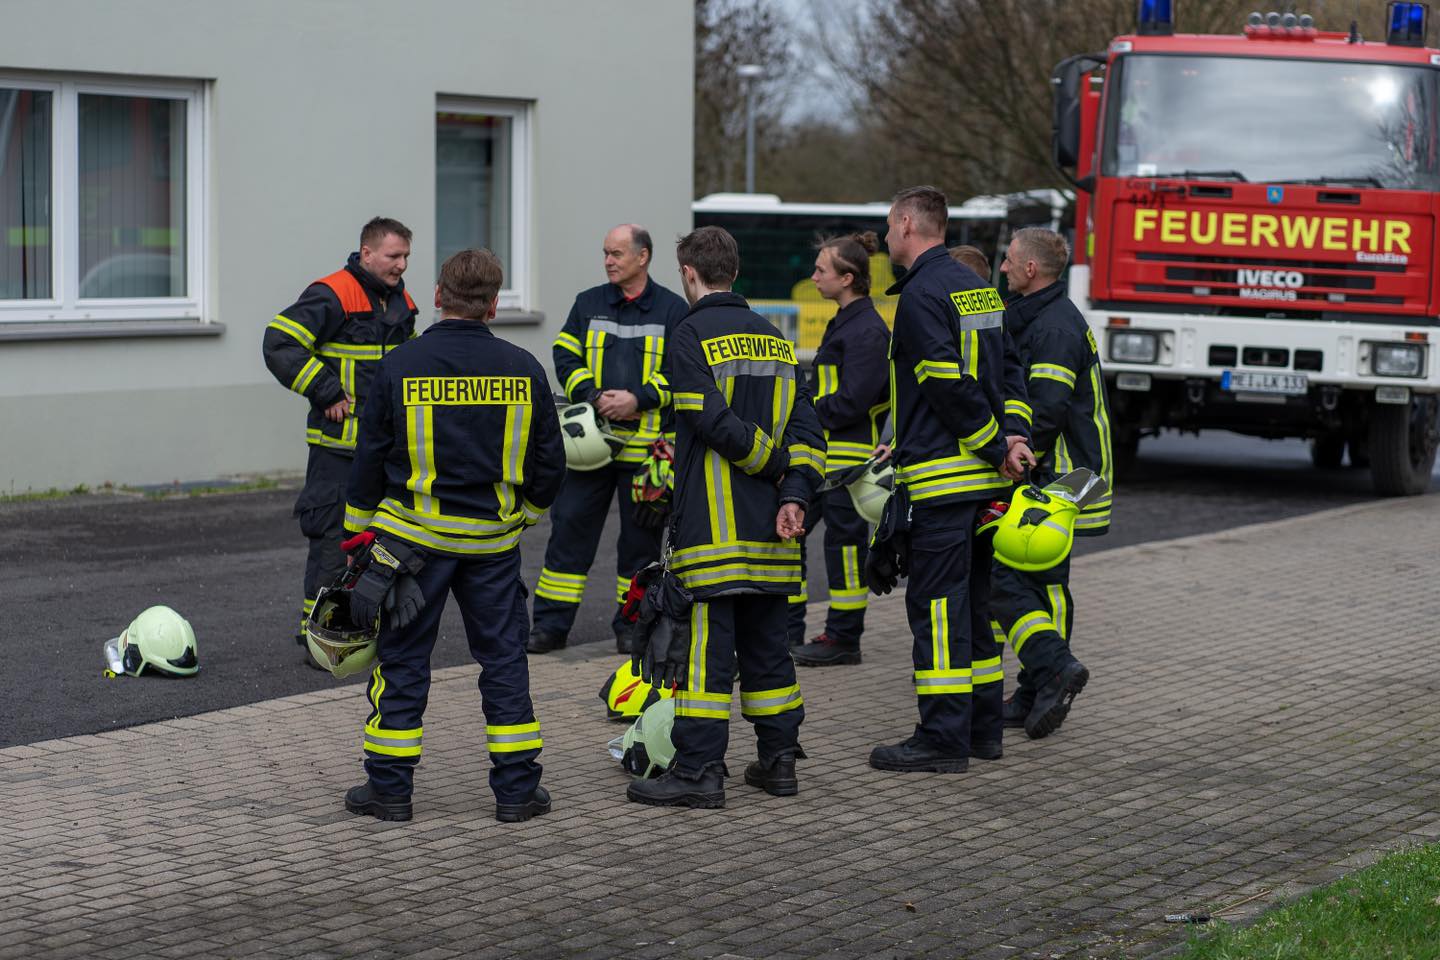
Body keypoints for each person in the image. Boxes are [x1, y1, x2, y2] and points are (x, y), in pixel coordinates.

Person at [340, 248, 564, 823]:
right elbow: (550, 463)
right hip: (492, 547)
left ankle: (389, 791)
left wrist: (355, 528)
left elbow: (370, 455)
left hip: (411, 545)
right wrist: (526, 515)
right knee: (505, 662)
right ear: (494, 304)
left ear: (438, 296)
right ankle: (517, 793)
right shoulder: (524, 368)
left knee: (404, 661)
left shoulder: (398, 363)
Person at [627, 226, 825, 808]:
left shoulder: (688, 335)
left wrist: (769, 464)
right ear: (732, 271)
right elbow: (807, 430)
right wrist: (794, 493)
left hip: (714, 534)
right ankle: (779, 763)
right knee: (769, 650)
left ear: (689, 274)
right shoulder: (774, 337)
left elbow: (710, 420)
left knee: (707, 658)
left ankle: (699, 772)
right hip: (776, 528)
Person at [868, 187, 1032, 774]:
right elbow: (1011, 372)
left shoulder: (920, 295)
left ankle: (941, 739)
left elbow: (945, 385)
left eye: (889, 226)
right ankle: (984, 731)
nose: (887, 237)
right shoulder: (978, 290)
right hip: (989, 487)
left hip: (942, 482)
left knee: (936, 609)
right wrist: (1015, 440)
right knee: (974, 605)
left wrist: (993, 443)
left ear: (908, 223)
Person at [263, 217, 419, 667]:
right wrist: (326, 389)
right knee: (333, 537)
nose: (401, 265)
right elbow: (279, 343)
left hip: (384, 449)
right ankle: (319, 638)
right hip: (337, 449)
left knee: (381, 537)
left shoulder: (399, 299)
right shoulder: (332, 293)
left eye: (406, 256)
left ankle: (359, 626)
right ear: (367, 253)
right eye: (394, 256)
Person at [529, 225, 689, 655]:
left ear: (643, 257)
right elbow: (565, 355)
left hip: (644, 455)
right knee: (568, 535)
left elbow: (680, 369)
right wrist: (594, 397)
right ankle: (549, 627)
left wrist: (640, 397)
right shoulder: (589, 303)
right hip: (590, 448)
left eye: (617, 253)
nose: (608, 261)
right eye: (605, 253)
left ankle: (630, 626)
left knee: (638, 547)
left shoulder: (673, 310)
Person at [993, 227, 1111, 738]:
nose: (1002, 268)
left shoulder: (1055, 328)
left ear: (1030, 270)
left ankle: (1051, 674)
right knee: (1034, 580)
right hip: (1058, 469)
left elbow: (1046, 409)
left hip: (1064, 472)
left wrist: (1011, 456)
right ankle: (1036, 683)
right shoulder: (1043, 316)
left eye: (1009, 260)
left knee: (1035, 580)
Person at [787, 232, 891, 667]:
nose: (813, 277)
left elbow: (854, 400)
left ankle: (844, 638)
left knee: (845, 550)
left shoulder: (866, 330)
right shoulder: (846, 321)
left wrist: (804, 412)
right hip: (827, 459)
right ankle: (787, 628)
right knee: (786, 535)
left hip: (848, 463)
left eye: (821, 271)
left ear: (847, 278)